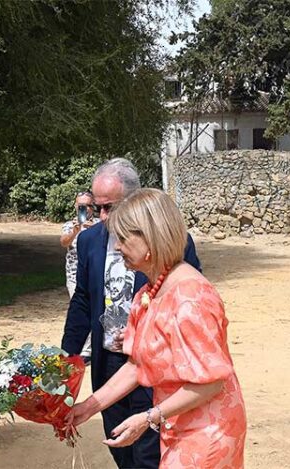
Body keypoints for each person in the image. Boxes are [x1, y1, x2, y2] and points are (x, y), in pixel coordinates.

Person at [68, 188, 246, 468]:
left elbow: (211, 382)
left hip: (207, 431)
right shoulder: (149, 292)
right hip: (180, 425)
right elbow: (137, 366)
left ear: (150, 238)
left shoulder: (191, 298)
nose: (116, 247)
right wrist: (88, 407)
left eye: (124, 238)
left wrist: (149, 417)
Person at [61, 158, 202, 469]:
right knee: (120, 445)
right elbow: (82, 302)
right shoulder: (87, 242)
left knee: (149, 453)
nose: (102, 217)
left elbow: (189, 318)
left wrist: (146, 333)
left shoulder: (180, 259)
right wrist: (66, 359)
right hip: (112, 363)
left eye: (109, 207)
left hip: (158, 368)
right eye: (97, 207)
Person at [60, 191, 99, 362]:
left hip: (95, 274)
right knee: (80, 309)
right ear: (76, 206)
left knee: (95, 309)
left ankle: (88, 351)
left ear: (93, 207)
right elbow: (64, 242)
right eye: (80, 205)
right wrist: (75, 231)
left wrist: (95, 232)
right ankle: (82, 349)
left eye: (88, 205)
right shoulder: (70, 225)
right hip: (74, 275)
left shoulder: (100, 224)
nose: (84, 209)